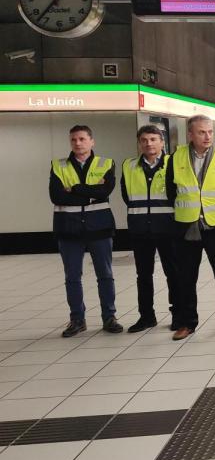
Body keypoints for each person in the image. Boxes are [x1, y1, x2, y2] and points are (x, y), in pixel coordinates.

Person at [166, 115, 215, 340]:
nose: (207, 136)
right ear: (190, 134)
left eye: (210, 132)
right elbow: (171, 191)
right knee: (186, 277)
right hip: (186, 226)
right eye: (201, 132)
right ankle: (188, 322)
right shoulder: (176, 157)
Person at [50, 125, 122, 337]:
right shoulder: (58, 166)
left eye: (82, 139)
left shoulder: (106, 164)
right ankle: (77, 319)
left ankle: (109, 317)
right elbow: (56, 196)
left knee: (105, 275)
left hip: (99, 227)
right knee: (72, 276)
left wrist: (75, 188)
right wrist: (91, 192)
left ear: (92, 141)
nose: (78, 143)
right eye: (74, 139)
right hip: (68, 228)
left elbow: (105, 191)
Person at [121, 125, 179, 333]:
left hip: (168, 228)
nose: (149, 144)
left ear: (162, 142)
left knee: (173, 273)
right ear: (139, 144)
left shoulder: (173, 163)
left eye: (153, 139)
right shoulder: (129, 166)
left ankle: (178, 315)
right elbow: (127, 196)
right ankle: (146, 316)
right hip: (140, 230)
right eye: (144, 140)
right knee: (143, 275)